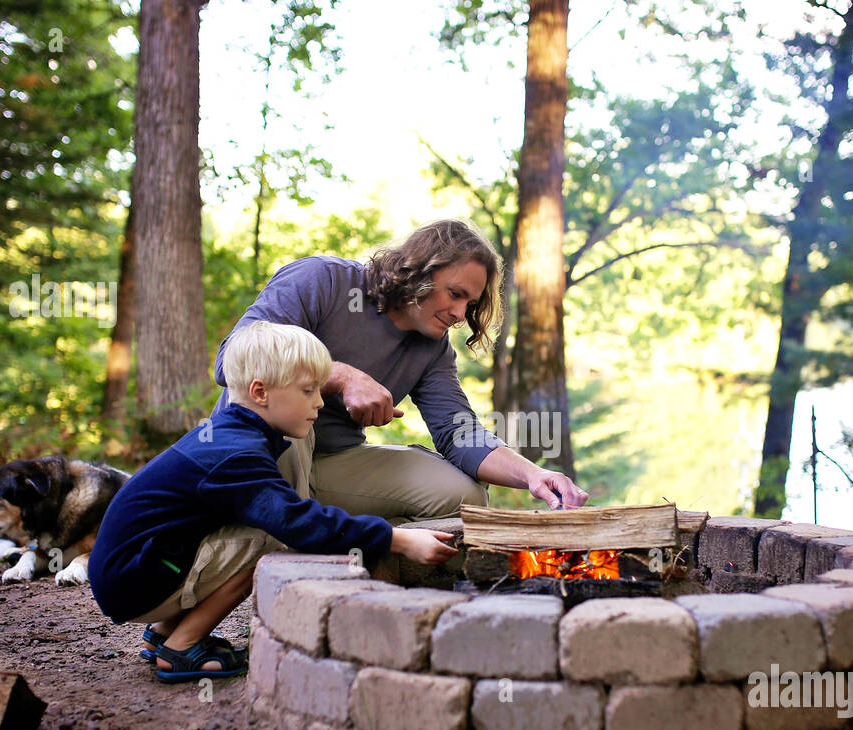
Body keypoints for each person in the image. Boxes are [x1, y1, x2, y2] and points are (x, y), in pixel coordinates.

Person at [87, 321, 459, 683]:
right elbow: (301, 525)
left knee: (261, 526)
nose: (318, 403)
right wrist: (401, 540)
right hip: (134, 582)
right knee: (275, 539)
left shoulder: (231, 435)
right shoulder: (237, 454)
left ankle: (165, 631)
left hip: (134, 573)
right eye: (308, 391)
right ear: (260, 392)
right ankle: (181, 648)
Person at [211, 219, 589, 522]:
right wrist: (341, 376)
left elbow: (459, 433)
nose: (460, 314)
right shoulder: (321, 280)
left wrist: (533, 476)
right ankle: (273, 528)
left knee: (464, 496)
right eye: (455, 294)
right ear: (418, 271)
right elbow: (233, 359)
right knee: (282, 410)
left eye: (470, 303)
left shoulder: (433, 347)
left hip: (333, 464)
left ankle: (365, 542)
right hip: (259, 454)